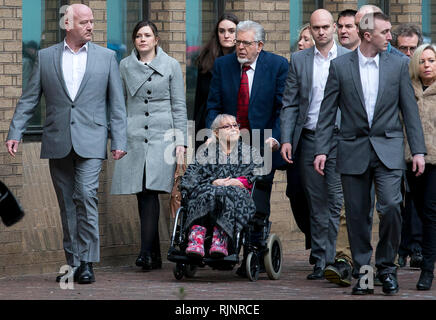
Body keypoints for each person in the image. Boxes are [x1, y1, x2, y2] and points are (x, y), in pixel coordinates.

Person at [5, 4, 127, 284]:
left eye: (92, 22)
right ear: (67, 24)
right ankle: (73, 261)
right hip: (57, 138)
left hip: (92, 140)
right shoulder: (46, 57)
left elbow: (117, 105)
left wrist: (119, 139)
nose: (90, 27)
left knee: (85, 195)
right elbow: (30, 97)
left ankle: (88, 262)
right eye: (84, 22)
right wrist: (16, 131)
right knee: (67, 204)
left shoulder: (107, 57)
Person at [313, 12, 426, 295]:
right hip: (352, 150)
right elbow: (327, 114)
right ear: (367, 35)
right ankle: (363, 273)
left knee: (390, 207)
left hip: (389, 149)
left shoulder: (399, 65)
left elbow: (409, 112)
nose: (390, 37)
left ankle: (387, 269)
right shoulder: (339, 67)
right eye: (385, 32)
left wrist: (418, 151)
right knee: (356, 215)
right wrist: (322, 150)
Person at [205, 20, 288, 276]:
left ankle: (252, 250)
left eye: (246, 43)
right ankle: (223, 246)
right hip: (229, 143)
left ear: (259, 46)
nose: (239, 47)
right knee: (225, 189)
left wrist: (275, 137)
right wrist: (212, 131)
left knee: (257, 194)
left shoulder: (277, 66)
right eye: (238, 42)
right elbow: (213, 104)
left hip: (263, 142)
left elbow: (282, 109)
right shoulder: (223, 66)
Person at [110, 21, 187, 271]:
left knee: (151, 191)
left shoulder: (171, 65)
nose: (142, 39)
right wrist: (118, 139)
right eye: (138, 36)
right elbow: (118, 106)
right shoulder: (124, 66)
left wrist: (181, 142)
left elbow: (179, 106)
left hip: (162, 136)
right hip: (133, 136)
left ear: (156, 39)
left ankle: (145, 253)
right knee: (142, 192)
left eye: (147, 35)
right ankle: (152, 255)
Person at [280, 9, 349, 281]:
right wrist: (287, 138)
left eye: (325, 27)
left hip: (338, 138)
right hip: (308, 137)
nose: (320, 32)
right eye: (315, 28)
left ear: (333, 28)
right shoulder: (298, 59)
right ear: (310, 29)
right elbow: (290, 102)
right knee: (316, 202)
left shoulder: (348, 57)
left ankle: (335, 257)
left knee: (336, 201)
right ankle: (321, 259)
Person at [180, 114, 263, 258]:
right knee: (207, 192)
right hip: (208, 190)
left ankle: (221, 238)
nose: (233, 128)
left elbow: (257, 172)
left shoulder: (250, 152)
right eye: (227, 126)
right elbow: (191, 176)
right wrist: (213, 181)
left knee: (227, 192)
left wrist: (238, 182)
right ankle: (196, 237)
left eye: (235, 125)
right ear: (216, 133)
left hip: (236, 192)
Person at [405, 44, 436, 290]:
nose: (427, 65)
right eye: (422, 61)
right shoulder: (408, 89)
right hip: (411, 161)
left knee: (430, 214)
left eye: (432, 60)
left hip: (435, 162)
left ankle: (427, 270)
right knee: (418, 211)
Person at [194, 13, 239, 148]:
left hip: (233, 125)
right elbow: (199, 99)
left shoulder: (242, 60)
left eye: (231, 31)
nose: (226, 35)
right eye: (222, 31)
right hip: (207, 122)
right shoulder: (206, 59)